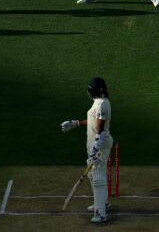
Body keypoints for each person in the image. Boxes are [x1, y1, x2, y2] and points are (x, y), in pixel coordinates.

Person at [61, 77, 113, 223]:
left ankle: (100, 213)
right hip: (96, 145)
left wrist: (97, 147)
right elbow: (93, 121)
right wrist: (76, 123)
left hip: (100, 145)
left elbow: (101, 129)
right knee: (92, 174)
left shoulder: (102, 104)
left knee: (97, 176)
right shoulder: (99, 103)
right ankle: (103, 203)